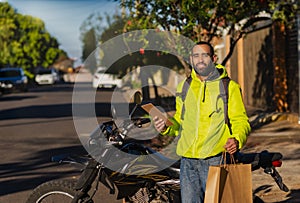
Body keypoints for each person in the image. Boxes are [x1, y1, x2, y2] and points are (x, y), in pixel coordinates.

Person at [153, 41, 251, 203]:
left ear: (213, 58)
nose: (200, 59)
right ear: (191, 59)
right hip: (188, 162)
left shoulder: (229, 87)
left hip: (215, 160)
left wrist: (237, 138)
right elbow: (179, 122)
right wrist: (166, 126)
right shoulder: (184, 87)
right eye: (196, 55)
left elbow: (241, 121)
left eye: (204, 55)